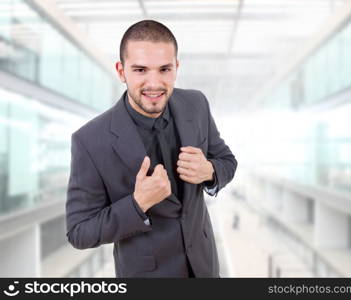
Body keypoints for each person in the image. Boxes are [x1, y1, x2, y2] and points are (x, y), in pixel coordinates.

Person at [65, 20, 237, 278]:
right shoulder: (89, 140)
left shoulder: (196, 104)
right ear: (121, 71)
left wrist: (210, 171)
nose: (154, 83)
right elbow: (79, 231)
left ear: (176, 68)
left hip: (205, 267)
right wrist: (137, 204)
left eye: (164, 69)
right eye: (141, 70)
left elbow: (227, 160)